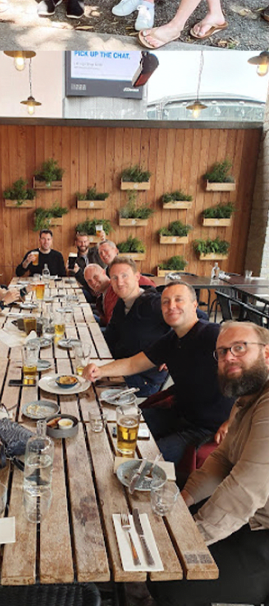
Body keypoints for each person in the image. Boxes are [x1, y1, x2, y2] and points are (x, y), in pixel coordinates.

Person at [148, 322, 269, 606]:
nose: (229, 357)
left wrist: (188, 539)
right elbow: (221, 459)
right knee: (159, 509)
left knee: (171, 582)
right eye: (222, 351)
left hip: (263, 530)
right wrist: (184, 499)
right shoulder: (247, 397)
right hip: (249, 516)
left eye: (239, 347)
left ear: (266, 354)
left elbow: (244, 490)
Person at [85, 282, 233, 468]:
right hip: (178, 414)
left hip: (205, 429)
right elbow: (133, 363)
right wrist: (99, 370)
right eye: (165, 302)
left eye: (179, 300)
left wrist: (233, 420)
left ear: (194, 305)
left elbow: (256, 375)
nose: (171, 306)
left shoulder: (213, 335)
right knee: (117, 429)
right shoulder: (172, 340)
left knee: (141, 462)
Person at [103, 258, 170, 396]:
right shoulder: (121, 304)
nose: (119, 282)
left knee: (91, 388)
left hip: (145, 379)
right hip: (121, 367)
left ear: (137, 277)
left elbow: (197, 319)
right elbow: (109, 338)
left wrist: (175, 353)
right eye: (114, 278)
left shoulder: (154, 303)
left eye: (124, 276)